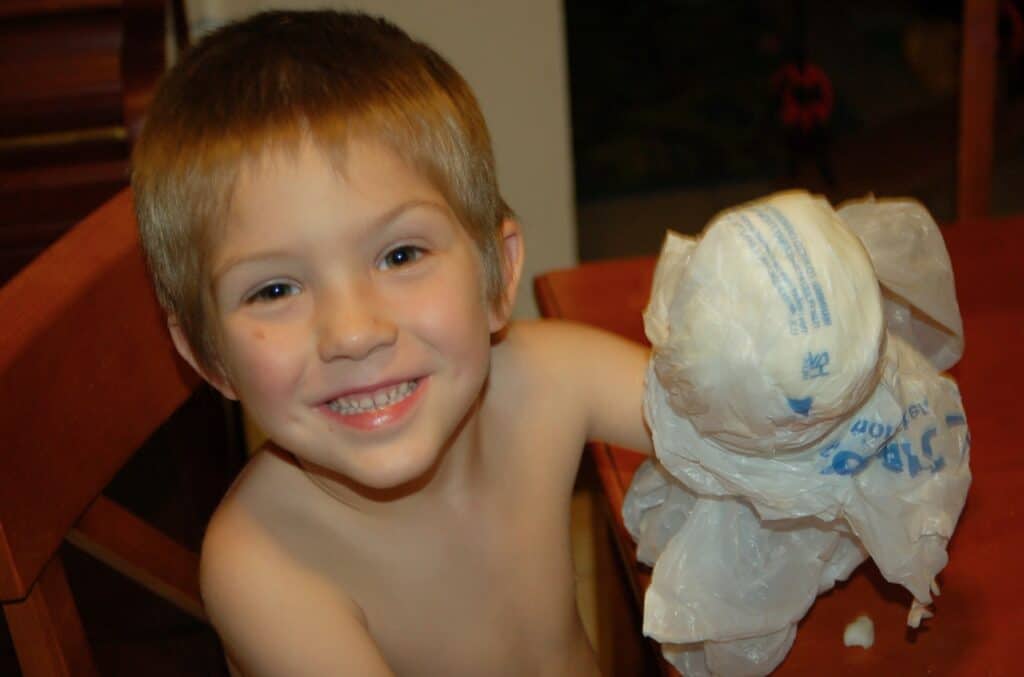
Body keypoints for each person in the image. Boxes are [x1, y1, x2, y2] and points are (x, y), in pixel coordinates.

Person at [131, 10, 652, 676]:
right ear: (208, 357)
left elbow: (735, 425)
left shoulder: (553, 376)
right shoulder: (262, 568)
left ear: (497, 273)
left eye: (401, 254)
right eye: (274, 291)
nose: (353, 332)